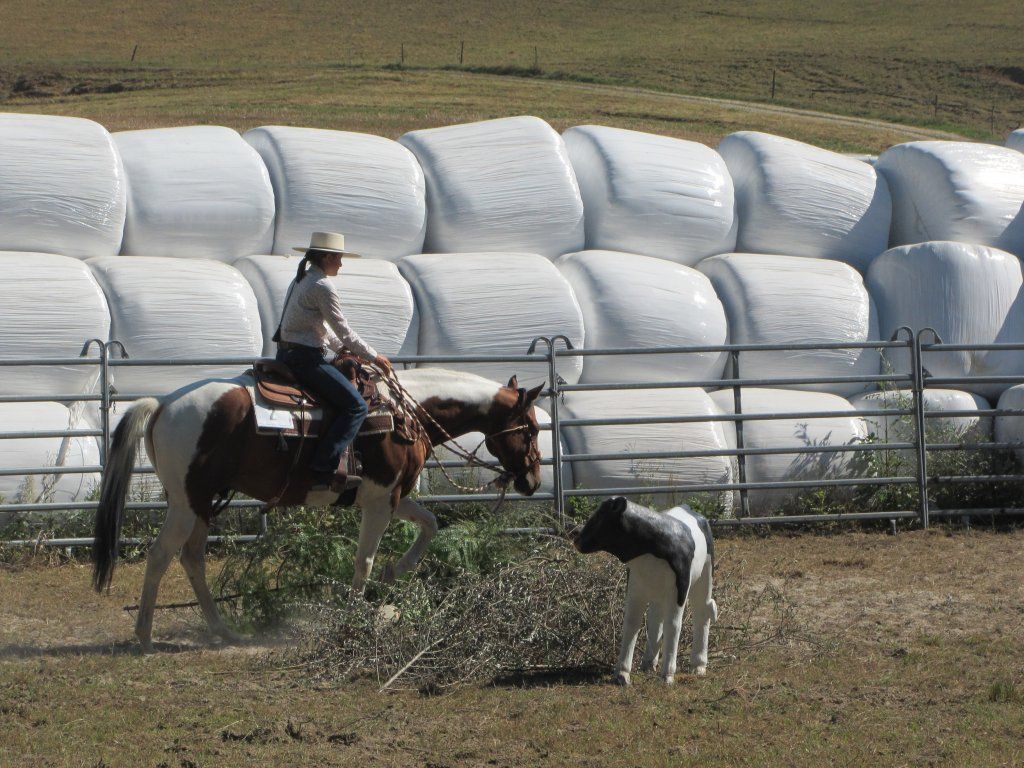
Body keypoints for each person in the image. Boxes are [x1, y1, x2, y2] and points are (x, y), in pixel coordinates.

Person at [275, 232, 392, 492]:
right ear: (327, 257)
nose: (341, 264)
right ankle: (324, 466)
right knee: (356, 407)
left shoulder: (302, 279)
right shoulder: (323, 286)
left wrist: (341, 350)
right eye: (338, 258)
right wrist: (374, 356)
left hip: (287, 354)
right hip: (304, 359)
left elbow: (318, 328)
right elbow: (343, 329)